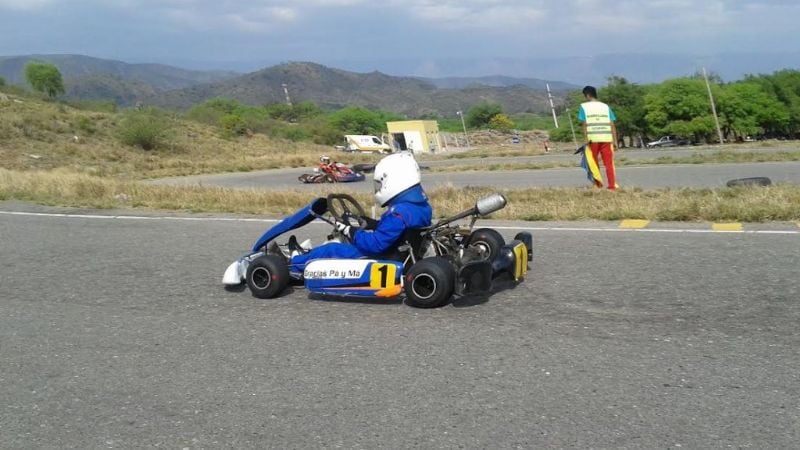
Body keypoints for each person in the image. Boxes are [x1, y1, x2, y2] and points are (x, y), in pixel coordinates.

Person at [290, 152, 432, 271]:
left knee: (332, 249)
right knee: (343, 242)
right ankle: (306, 256)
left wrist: (351, 231)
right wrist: (373, 224)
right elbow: (397, 230)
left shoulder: (398, 212)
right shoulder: (420, 206)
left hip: (382, 258)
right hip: (398, 251)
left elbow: (375, 244)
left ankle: (295, 263)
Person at [578, 86, 619, 190]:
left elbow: (584, 124)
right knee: (609, 164)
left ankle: (597, 185)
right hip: (606, 138)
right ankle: (612, 186)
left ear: (587, 95)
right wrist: (615, 140)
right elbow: (612, 124)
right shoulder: (606, 107)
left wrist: (585, 138)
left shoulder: (584, 107)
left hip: (593, 139)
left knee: (593, 163)